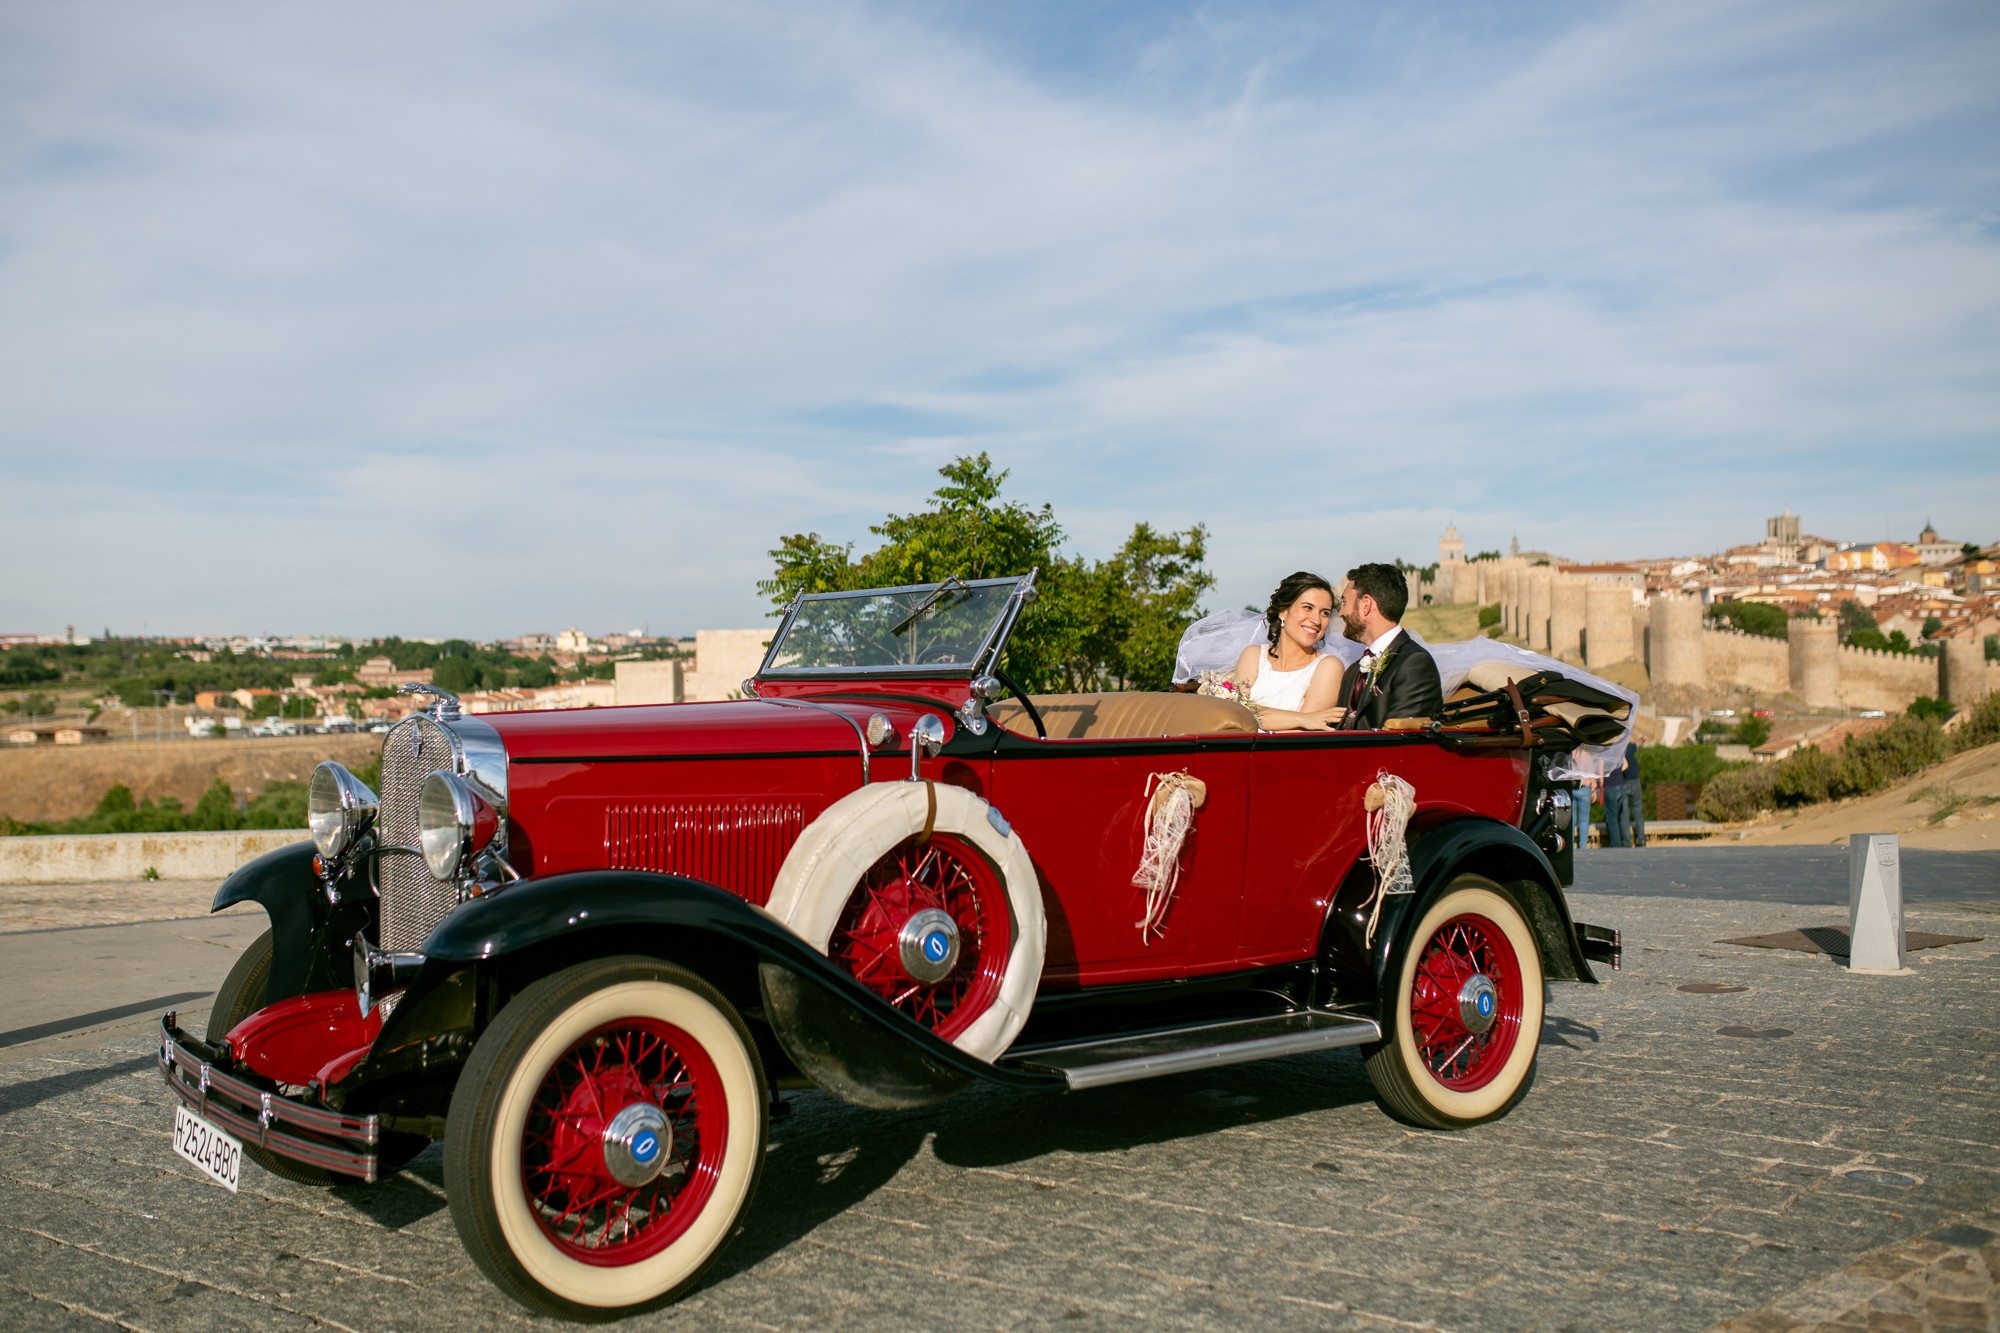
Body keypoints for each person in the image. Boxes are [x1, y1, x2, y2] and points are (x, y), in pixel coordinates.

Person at [1229, 571, 1348, 730]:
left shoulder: (1328, 667)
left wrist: (1251, 717)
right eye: (1307, 608)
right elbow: (1235, 715)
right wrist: (1303, 719)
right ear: (1283, 611)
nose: (1316, 620)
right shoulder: (1253, 656)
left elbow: (1305, 732)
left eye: (1325, 613)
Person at [1334, 563, 1444, 730]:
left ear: (1366, 605)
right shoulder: (1352, 672)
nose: (1340, 613)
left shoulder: (1413, 664)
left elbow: (1400, 738)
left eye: (1344, 603)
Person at [1601, 740, 1647, 847]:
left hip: (1622, 782)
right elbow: (1636, 745)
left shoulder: (1615, 751)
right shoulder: (1629, 747)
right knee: (1637, 811)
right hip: (1635, 781)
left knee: (1624, 814)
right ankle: (1641, 838)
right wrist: (1642, 739)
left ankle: (1627, 841)